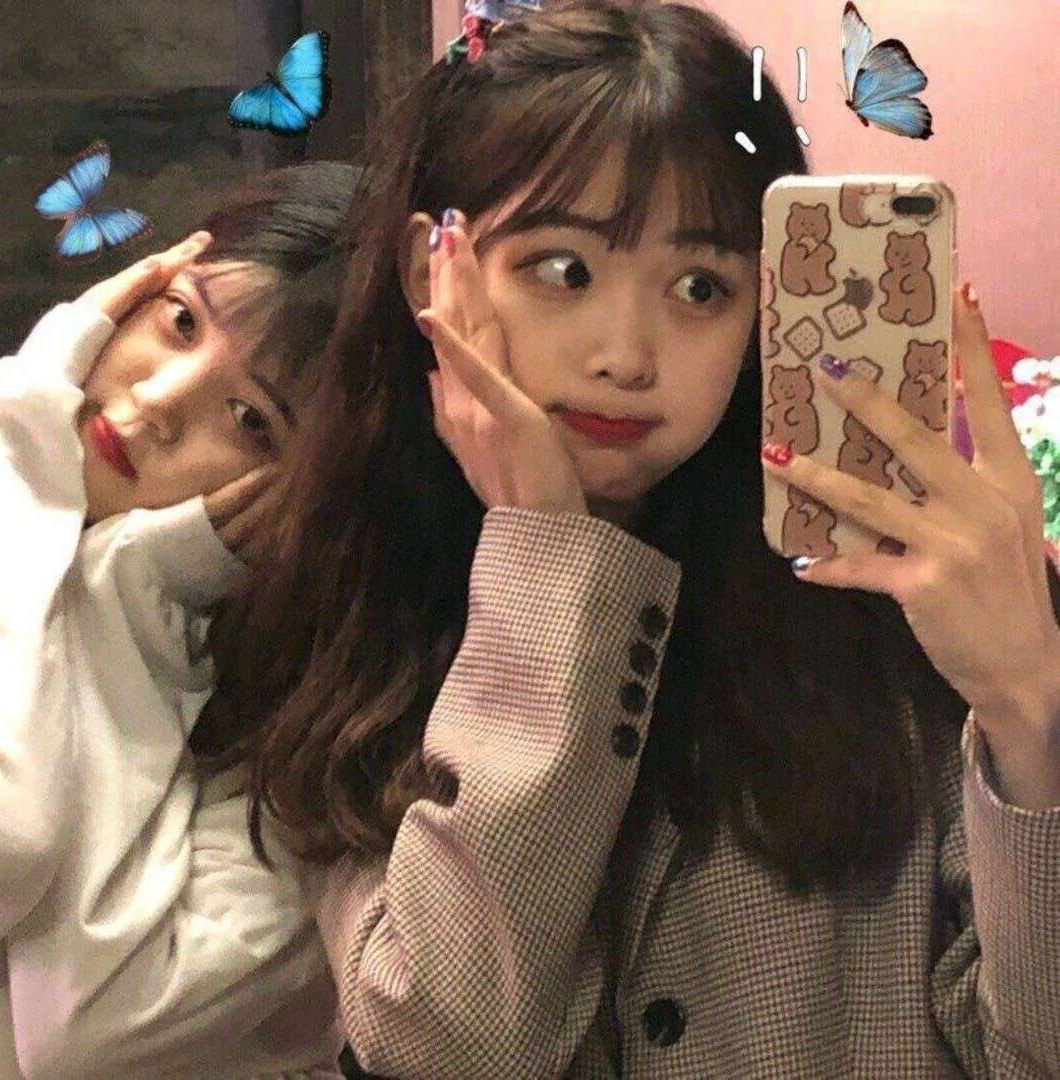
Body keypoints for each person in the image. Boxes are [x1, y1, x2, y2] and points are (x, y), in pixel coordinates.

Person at [211, 3, 1060, 1076]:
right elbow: (447, 1045)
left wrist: (1031, 710)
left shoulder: (893, 601)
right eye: (562, 270)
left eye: (702, 288)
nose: (627, 355)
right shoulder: (353, 604)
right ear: (435, 269)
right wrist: (543, 559)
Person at [0, 161, 360, 1078]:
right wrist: (18, 444)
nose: (154, 404)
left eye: (251, 421)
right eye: (181, 320)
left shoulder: (309, 754)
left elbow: (73, 1014)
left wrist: (126, 589)